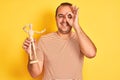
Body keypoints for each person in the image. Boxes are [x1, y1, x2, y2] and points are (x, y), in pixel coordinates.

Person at [22, 2, 97, 80]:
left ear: (74, 18)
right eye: (61, 16)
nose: (65, 20)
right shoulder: (44, 40)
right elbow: (34, 74)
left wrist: (76, 26)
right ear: (56, 18)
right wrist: (31, 55)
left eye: (69, 16)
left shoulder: (81, 39)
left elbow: (92, 53)